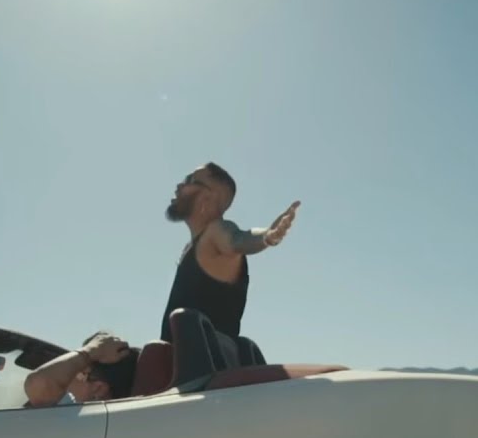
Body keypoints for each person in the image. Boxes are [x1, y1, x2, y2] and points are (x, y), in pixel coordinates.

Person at [159, 162, 300, 342]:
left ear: (208, 198)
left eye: (190, 180)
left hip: (202, 358)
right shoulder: (194, 246)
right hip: (182, 357)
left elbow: (237, 239)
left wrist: (267, 236)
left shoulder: (214, 233)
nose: (180, 185)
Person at [23, 330, 138, 408]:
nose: (68, 377)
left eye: (77, 371)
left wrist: (91, 350)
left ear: (98, 388)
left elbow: (37, 383)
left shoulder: (78, 420)